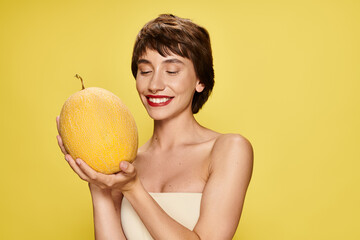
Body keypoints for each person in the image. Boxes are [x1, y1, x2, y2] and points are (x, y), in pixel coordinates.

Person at [56, 14, 253, 239]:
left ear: (200, 81)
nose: (154, 85)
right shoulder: (124, 160)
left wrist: (133, 188)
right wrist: (98, 184)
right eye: (146, 71)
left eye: (171, 71)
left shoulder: (229, 149)